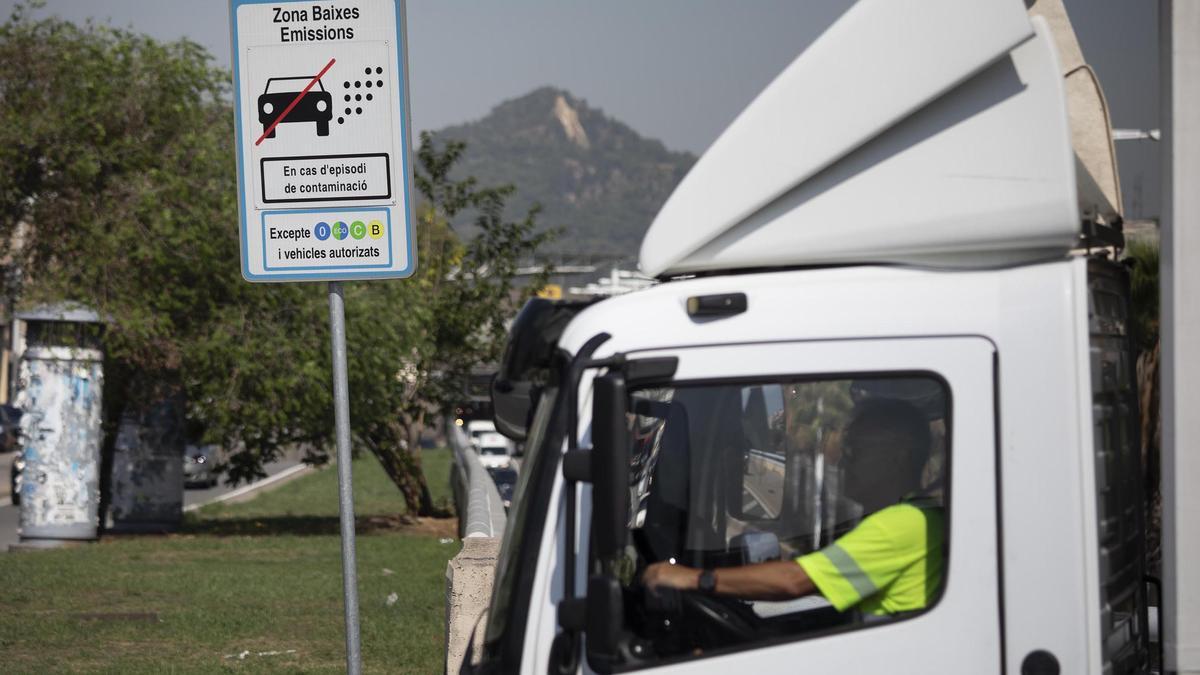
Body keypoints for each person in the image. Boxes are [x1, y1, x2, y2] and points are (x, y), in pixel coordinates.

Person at [642, 398, 944, 618]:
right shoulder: (915, 516)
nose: (842, 461)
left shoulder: (903, 524)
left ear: (897, 458)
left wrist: (694, 578)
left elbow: (795, 580)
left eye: (856, 451)